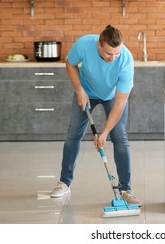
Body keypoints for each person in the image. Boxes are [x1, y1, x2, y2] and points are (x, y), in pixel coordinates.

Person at [50, 25, 140, 205]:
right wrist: (79, 89)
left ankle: (125, 189)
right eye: (108, 54)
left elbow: (120, 103)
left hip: (112, 96)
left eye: (117, 53)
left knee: (119, 137)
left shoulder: (126, 61)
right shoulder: (84, 45)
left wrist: (104, 133)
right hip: (86, 92)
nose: (113, 58)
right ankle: (64, 182)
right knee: (73, 133)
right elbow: (70, 63)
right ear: (99, 45)